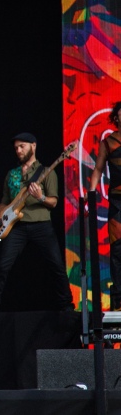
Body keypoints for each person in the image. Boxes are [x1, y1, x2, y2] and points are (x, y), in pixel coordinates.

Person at [0, 133, 74, 312]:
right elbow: (6, 201)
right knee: (2, 265)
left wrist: (40, 197)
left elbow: (53, 202)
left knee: (56, 264)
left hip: (41, 224)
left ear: (33, 146)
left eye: (22, 146)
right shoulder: (12, 174)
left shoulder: (47, 172)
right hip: (17, 226)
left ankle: (67, 306)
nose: (18, 150)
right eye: (16, 148)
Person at [89, 101, 121, 310]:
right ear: (115, 119)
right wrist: (91, 195)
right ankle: (119, 299)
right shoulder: (108, 142)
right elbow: (98, 170)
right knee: (118, 249)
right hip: (118, 203)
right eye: (119, 115)